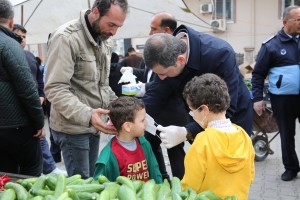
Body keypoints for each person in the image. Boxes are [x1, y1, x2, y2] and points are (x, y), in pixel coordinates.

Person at [45, 0, 128, 178]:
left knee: (90, 179)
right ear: (95, 12)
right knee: (81, 183)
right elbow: (55, 88)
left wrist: (123, 107)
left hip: (94, 124)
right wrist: (88, 114)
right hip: (72, 128)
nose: (114, 32)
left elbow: (102, 85)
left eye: (118, 27)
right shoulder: (66, 38)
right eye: (111, 24)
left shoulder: (104, 39)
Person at [143, 26, 253, 149]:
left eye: (163, 74)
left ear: (180, 60)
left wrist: (187, 131)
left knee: (230, 161)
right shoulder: (167, 55)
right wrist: (135, 116)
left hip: (231, 120)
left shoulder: (220, 54)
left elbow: (226, 107)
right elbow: (157, 92)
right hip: (197, 118)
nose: (161, 78)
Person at [122, 12, 187, 179]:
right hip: (150, 117)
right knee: (152, 148)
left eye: (153, 29)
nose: (150, 32)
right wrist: (133, 74)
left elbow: (162, 86)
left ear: (166, 30)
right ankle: (162, 179)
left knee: (176, 154)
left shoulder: (175, 56)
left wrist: (130, 112)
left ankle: (181, 185)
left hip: (170, 116)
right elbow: (149, 75)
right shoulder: (153, 50)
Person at [181, 73, 255, 199]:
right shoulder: (244, 136)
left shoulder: (202, 141)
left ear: (204, 109)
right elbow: (250, 176)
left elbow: (190, 187)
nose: (192, 115)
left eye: (192, 110)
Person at [252, 6, 300, 181]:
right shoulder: (271, 45)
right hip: (283, 99)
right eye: (298, 20)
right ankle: (291, 168)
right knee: (287, 134)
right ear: (285, 21)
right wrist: (257, 98)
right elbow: (257, 74)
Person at [13, 24, 66, 176]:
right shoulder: (8, 54)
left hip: (33, 105)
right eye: (18, 36)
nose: (21, 39)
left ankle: (49, 168)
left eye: (24, 37)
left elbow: (39, 79)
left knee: (39, 136)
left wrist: (41, 94)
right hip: (17, 109)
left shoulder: (30, 56)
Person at [0, 0, 44, 176]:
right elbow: (27, 89)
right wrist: (39, 121)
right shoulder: (10, 45)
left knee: (5, 175)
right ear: (11, 22)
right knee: (31, 173)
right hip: (16, 126)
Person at [93, 96, 162, 183]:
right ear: (127, 126)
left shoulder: (144, 144)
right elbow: (100, 185)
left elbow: (155, 172)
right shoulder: (108, 157)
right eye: (142, 120)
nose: (146, 123)